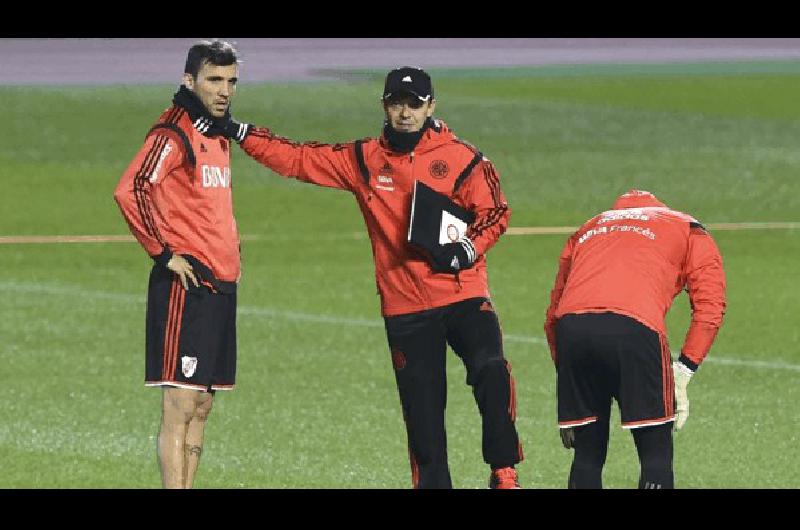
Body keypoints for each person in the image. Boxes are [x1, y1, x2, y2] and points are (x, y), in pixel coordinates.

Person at [217, 66, 523, 488]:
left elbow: (497, 213)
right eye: (397, 103)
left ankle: (504, 471)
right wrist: (237, 129)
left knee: (491, 368)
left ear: (431, 106)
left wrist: (468, 249)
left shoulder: (462, 158)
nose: (405, 113)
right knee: (424, 421)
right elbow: (297, 159)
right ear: (384, 105)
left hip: (463, 295)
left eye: (414, 105)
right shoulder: (363, 160)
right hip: (406, 309)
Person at [113, 40, 250, 488]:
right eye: (214, 79)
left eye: (231, 80)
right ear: (189, 81)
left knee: (203, 406)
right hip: (187, 286)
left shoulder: (216, 131)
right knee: (180, 406)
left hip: (220, 284)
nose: (224, 89)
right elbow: (132, 188)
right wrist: (163, 252)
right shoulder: (174, 132)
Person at [543, 189, 727, 489]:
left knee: (587, 456)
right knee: (655, 457)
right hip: (635, 330)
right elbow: (711, 307)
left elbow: (553, 314)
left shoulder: (589, 228)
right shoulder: (687, 227)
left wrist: (569, 382)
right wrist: (684, 370)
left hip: (572, 332)